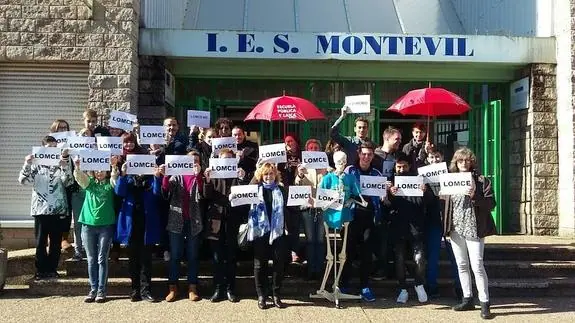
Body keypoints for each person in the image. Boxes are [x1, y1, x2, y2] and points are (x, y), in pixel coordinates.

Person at [444, 147, 496, 320]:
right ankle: (467, 298)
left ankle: (484, 302)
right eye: (460, 161)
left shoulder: (481, 181)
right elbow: (444, 204)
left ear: (472, 162)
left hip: (474, 226)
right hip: (456, 228)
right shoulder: (450, 180)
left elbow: (491, 204)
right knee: (461, 264)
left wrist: (475, 195)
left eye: (467, 160)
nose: (464, 163)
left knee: (477, 266)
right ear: (455, 163)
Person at [18, 136, 73, 281]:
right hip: (40, 209)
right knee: (40, 242)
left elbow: (68, 182)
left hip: (57, 209)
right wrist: (27, 163)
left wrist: (65, 167)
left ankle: (52, 269)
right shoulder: (36, 164)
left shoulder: (61, 163)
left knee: (55, 242)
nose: (52, 149)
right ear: (43, 148)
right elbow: (23, 181)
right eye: (49, 146)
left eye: (55, 146)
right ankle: (41, 270)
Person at [339, 141, 382, 302]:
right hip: (351, 218)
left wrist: (384, 194)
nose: (366, 157)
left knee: (366, 254)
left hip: (369, 218)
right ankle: (344, 284)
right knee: (347, 252)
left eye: (369, 154)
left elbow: (380, 197)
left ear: (373, 156)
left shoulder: (377, 174)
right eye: (363, 154)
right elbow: (342, 192)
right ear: (358, 154)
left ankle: (365, 286)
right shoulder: (349, 171)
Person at [203, 148, 248, 303]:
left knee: (230, 257)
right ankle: (217, 289)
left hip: (232, 221)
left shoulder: (237, 175)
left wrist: (242, 179)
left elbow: (245, 197)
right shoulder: (213, 176)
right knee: (217, 258)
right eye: (223, 159)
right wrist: (207, 181)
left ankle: (230, 289)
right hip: (216, 221)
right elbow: (206, 195)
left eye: (230, 159)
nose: (226, 161)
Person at [115, 162, 163, 302]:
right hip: (131, 225)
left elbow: (157, 193)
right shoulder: (129, 179)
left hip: (147, 225)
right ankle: (135, 290)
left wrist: (157, 177)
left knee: (146, 260)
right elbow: (119, 192)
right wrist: (122, 175)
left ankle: (146, 290)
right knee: (133, 260)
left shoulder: (150, 179)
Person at [73, 156, 119, 303]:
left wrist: (113, 167)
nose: (99, 172)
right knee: (91, 259)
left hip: (106, 225)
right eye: (97, 170)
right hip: (88, 225)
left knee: (102, 259)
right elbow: (80, 178)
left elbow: (115, 180)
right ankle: (92, 290)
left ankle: (101, 291)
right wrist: (78, 167)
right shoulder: (90, 183)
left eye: (102, 170)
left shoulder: (110, 184)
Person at [160, 151, 204, 302]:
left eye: (196, 160)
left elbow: (203, 194)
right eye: (191, 160)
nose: (193, 163)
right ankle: (173, 287)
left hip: (194, 221)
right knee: (175, 255)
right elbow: (166, 190)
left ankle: (192, 287)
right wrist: (165, 175)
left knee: (193, 255)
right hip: (176, 220)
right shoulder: (177, 174)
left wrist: (198, 176)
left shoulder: (201, 176)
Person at [387, 154, 431, 304]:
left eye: (404, 166)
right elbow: (386, 205)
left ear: (409, 167)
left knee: (419, 259)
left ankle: (419, 284)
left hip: (416, 227)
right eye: (398, 167)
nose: (401, 169)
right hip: (398, 227)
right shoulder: (391, 182)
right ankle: (403, 289)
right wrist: (389, 194)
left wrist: (424, 192)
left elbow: (426, 203)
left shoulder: (418, 181)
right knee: (399, 259)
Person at [247, 163, 289, 310]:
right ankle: (261, 295)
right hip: (261, 232)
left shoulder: (281, 190)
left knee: (279, 264)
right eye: (266, 174)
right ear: (261, 176)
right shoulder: (255, 190)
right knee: (260, 265)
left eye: (271, 174)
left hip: (277, 232)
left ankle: (276, 294)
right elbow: (246, 191)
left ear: (275, 175)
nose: (269, 176)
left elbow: (291, 208)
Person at [294, 139, 326, 281]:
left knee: (320, 240)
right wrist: (300, 174)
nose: (313, 149)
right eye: (310, 147)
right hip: (307, 208)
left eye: (316, 147)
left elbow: (330, 186)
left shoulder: (326, 167)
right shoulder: (301, 167)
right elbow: (296, 185)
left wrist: (325, 174)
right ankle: (311, 269)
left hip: (321, 208)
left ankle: (319, 269)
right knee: (310, 240)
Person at [49, 119, 75, 252]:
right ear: (54, 130)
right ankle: (53, 238)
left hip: (68, 182)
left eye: (65, 128)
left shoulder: (72, 143)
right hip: (53, 183)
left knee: (66, 211)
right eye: (60, 128)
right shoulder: (49, 145)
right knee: (54, 212)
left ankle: (64, 238)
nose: (63, 130)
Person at [278, 134, 303, 263]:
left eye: (290, 141)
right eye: (286, 141)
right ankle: (286, 252)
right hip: (284, 192)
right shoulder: (281, 156)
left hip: (298, 192)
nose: (288, 143)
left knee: (295, 223)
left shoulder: (302, 155)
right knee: (285, 223)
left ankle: (295, 251)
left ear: (296, 142)